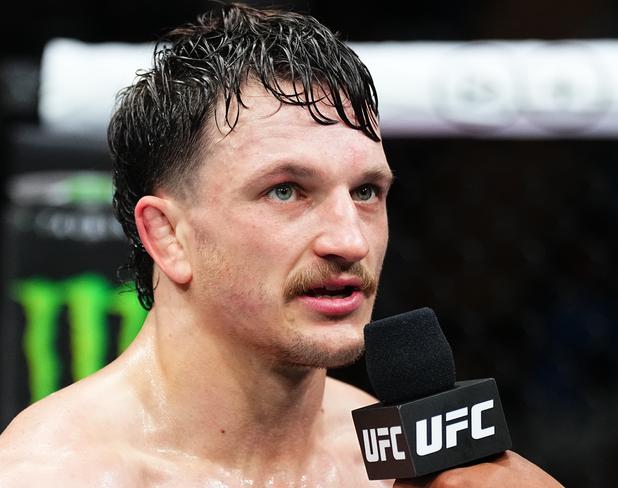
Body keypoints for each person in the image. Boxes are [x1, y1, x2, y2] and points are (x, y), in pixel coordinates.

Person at [0, 3, 563, 486]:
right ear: (168, 236)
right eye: (286, 191)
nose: (348, 240)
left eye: (366, 190)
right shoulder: (55, 474)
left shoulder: (413, 467)